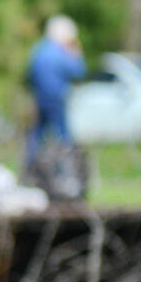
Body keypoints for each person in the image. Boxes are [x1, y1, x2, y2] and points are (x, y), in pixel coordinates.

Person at [25, 15, 86, 170]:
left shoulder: (38, 49)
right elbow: (79, 71)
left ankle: (31, 167)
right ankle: (65, 169)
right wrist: (76, 52)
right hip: (57, 98)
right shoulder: (61, 52)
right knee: (63, 137)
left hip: (40, 98)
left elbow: (28, 75)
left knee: (37, 136)